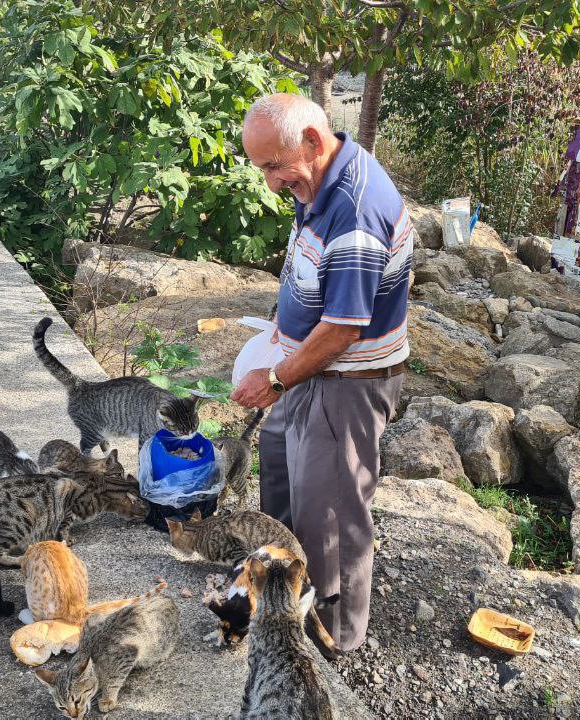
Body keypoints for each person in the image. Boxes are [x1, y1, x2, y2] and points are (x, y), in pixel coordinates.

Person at [230, 93, 414, 653]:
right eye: (261, 167)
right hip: (307, 371)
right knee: (285, 497)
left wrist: (276, 377)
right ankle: (282, 606)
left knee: (331, 521)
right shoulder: (318, 177)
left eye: (274, 167)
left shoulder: (354, 210)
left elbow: (343, 329)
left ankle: (332, 641)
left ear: (313, 139)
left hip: (344, 385)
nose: (270, 183)